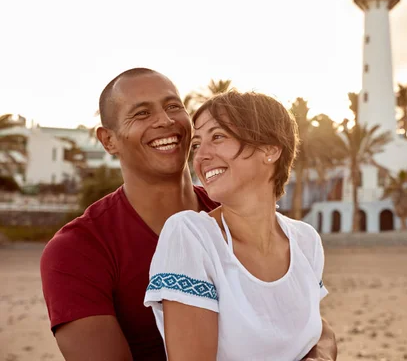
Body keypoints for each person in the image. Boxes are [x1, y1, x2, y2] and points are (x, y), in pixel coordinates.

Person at [40, 68, 337, 360]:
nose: (165, 121)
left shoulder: (240, 212)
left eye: (173, 106)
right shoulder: (76, 250)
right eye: (142, 113)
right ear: (108, 140)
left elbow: (305, 322)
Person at [144, 90, 329, 360]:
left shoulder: (305, 241)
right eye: (196, 144)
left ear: (270, 149)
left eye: (217, 137)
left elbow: (319, 333)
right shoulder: (191, 235)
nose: (201, 156)